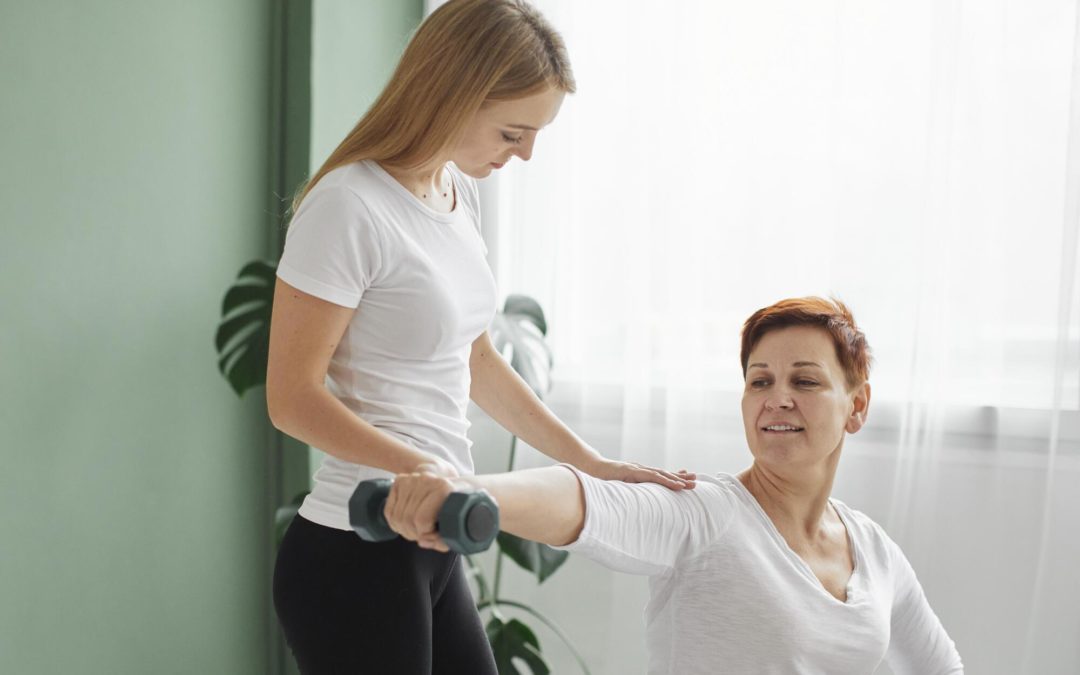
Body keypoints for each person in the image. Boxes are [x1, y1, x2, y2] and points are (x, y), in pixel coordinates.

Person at [265, 1, 692, 672]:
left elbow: (478, 356)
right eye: (513, 131)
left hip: (431, 539)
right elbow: (291, 397)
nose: (525, 153)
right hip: (355, 545)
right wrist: (419, 464)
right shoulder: (349, 206)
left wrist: (592, 464)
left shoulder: (456, 195)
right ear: (453, 95)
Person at [387, 297, 965, 675]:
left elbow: (942, 668)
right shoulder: (709, 514)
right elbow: (585, 503)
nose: (776, 398)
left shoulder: (877, 554)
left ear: (856, 405)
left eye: (805, 380)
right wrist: (462, 490)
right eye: (759, 380)